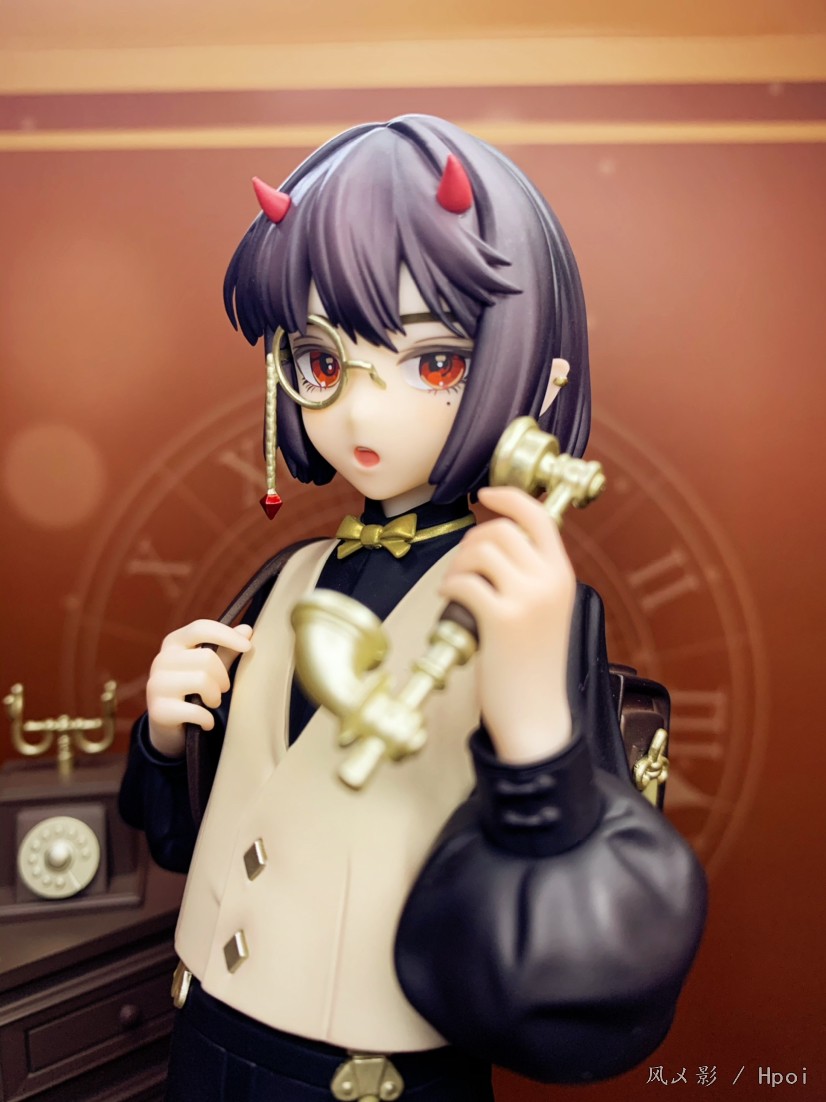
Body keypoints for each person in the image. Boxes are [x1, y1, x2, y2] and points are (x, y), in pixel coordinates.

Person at [119, 115, 706, 1102]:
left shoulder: (525, 602)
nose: (362, 411)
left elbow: (581, 969)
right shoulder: (288, 577)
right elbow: (191, 839)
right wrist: (165, 737)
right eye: (321, 361)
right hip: (204, 1039)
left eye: (433, 362)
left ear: (525, 360)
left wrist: (535, 735)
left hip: (373, 1079)